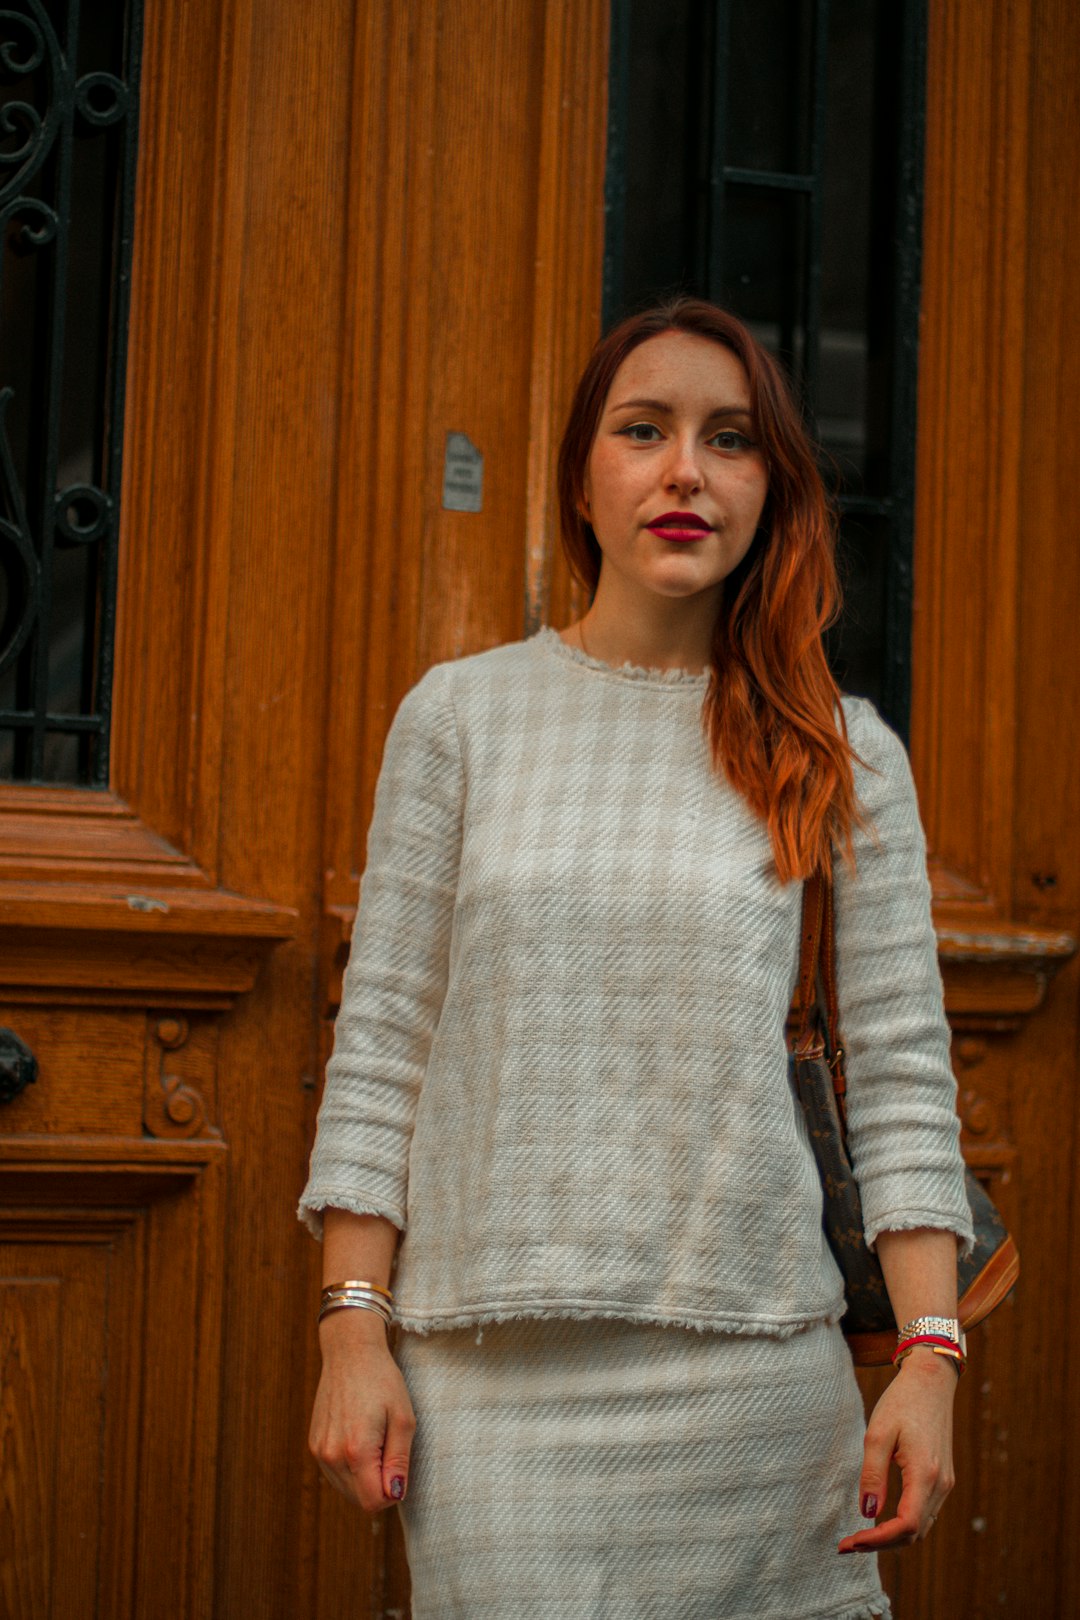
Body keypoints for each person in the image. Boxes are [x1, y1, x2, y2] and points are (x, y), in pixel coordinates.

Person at [299, 297, 973, 1620]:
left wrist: (931, 1358)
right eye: (643, 430)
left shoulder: (840, 751)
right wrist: (350, 1325)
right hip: (487, 1384)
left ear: (771, 487)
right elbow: (381, 1045)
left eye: (730, 441)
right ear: (582, 477)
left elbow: (901, 1072)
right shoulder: (462, 720)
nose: (685, 471)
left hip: (760, 1384)